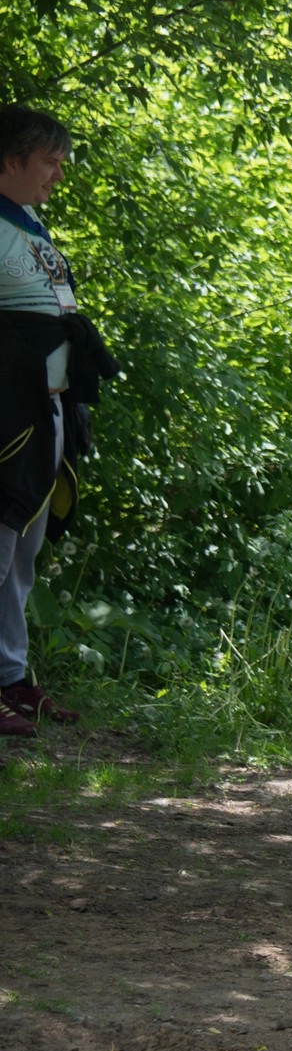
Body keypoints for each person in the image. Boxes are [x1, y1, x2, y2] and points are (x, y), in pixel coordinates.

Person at [0, 105, 118, 738]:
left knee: (21, 551)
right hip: (7, 415)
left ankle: (9, 678)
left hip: (43, 408)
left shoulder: (27, 219)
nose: (58, 174)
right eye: (49, 161)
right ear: (10, 159)